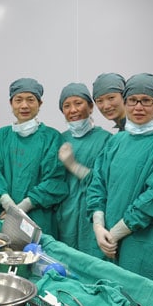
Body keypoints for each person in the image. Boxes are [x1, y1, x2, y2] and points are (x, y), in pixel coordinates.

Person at [86, 73, 153, 285]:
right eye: (132, 100)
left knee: (140, 303)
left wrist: (116, 233)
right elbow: (97, 184)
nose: (138, 107)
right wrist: (98, 227)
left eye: (146, 101)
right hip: (107, 238)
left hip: (144, 243)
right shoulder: (115, 142)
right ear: (126, 102)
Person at [0, 78, 68, 237]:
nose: (24, 106)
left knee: (38, 255)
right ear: (11, 104)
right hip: (5, 217)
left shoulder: (52, 137)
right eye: (18, 100)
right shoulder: (0, 137)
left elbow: (55, 180)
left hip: (39, 217)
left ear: (40, 104)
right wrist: (8, 205)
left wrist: (22, 207)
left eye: (30, 100)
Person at [56, 82, 112, 258]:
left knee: (94, 264)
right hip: (65, 215)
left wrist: (74, 166)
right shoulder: (59, 140)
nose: (73, 110)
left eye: (78, 103)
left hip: (95, 215)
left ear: (90, 106)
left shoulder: (107, 140)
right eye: (67, 105)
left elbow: (105, 181)